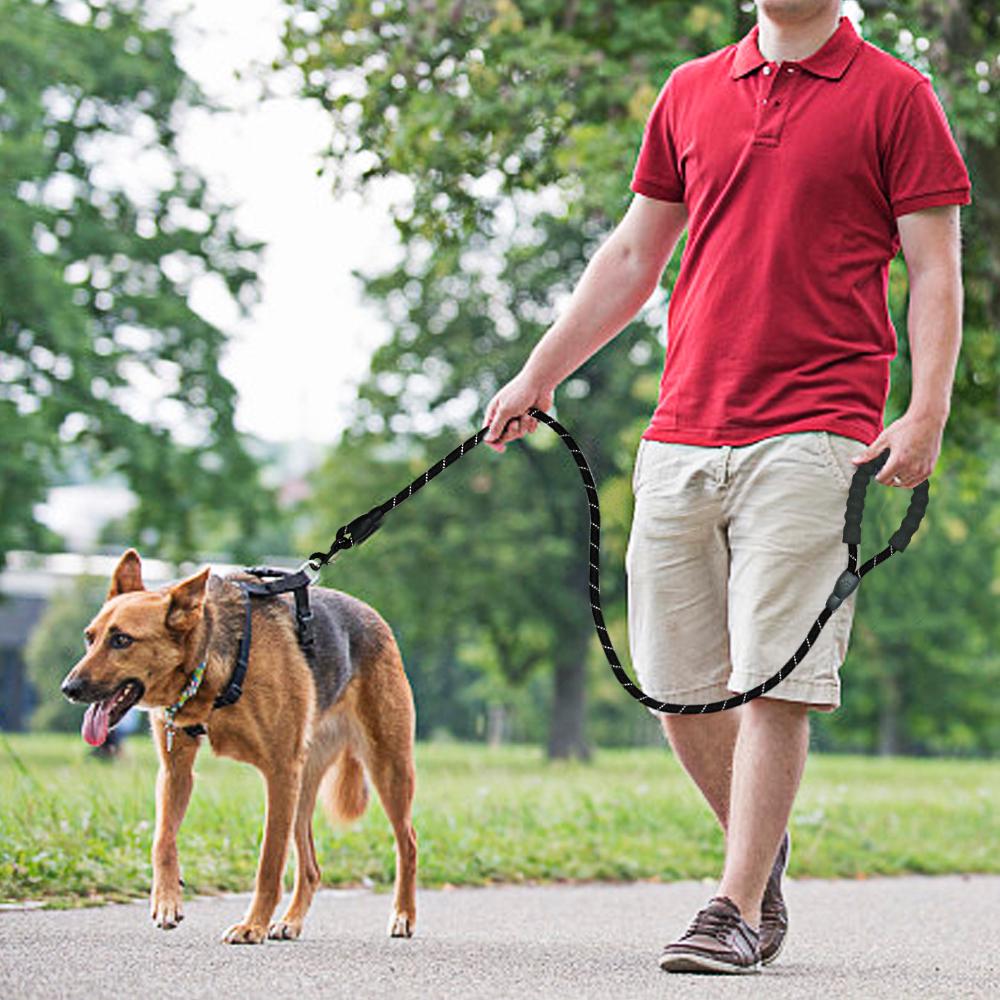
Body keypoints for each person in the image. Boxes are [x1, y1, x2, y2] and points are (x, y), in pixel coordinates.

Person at [481, 0, 970, 976]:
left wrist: (924, 410)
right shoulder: (689, 91)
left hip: (818, 427)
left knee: (773, 677)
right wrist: (539, 373)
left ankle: (734, 904)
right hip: (680, 427)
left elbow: (933, 269)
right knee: (673, 682)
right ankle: (763, 848)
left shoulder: (897, 97)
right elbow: (631, 257)